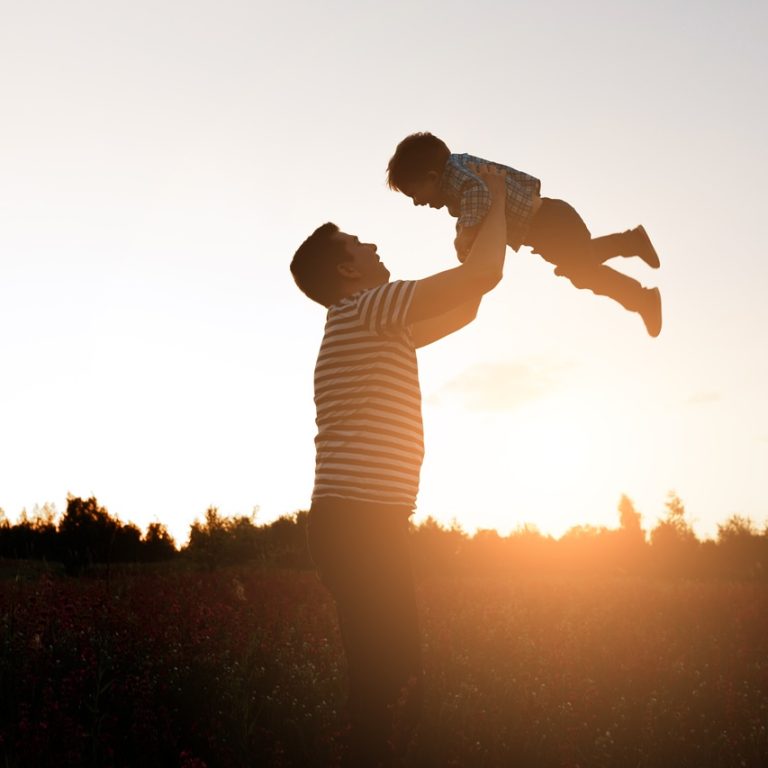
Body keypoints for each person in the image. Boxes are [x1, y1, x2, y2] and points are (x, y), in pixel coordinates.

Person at [290, 169, 508, 767]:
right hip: (359, 525)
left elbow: (466, 305)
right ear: (345, 270)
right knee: (389, 679)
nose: (373, 246)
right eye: (358, 244)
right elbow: (482, 277)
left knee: (393, 673)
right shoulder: (368, 309)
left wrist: (483, 236)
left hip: (367, 525)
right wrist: (493, 201)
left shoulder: (376, 321)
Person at [386, 131, 663, 337]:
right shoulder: (459, 174)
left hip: (550, 223)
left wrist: (465, 234)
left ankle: (641, 297)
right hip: (548, 225)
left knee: (581, 272)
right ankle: (630, 243)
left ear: (432, 177)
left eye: (414, 194)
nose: (416, 202)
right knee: (579, 265)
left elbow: (480, 195)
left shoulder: (458, 177)